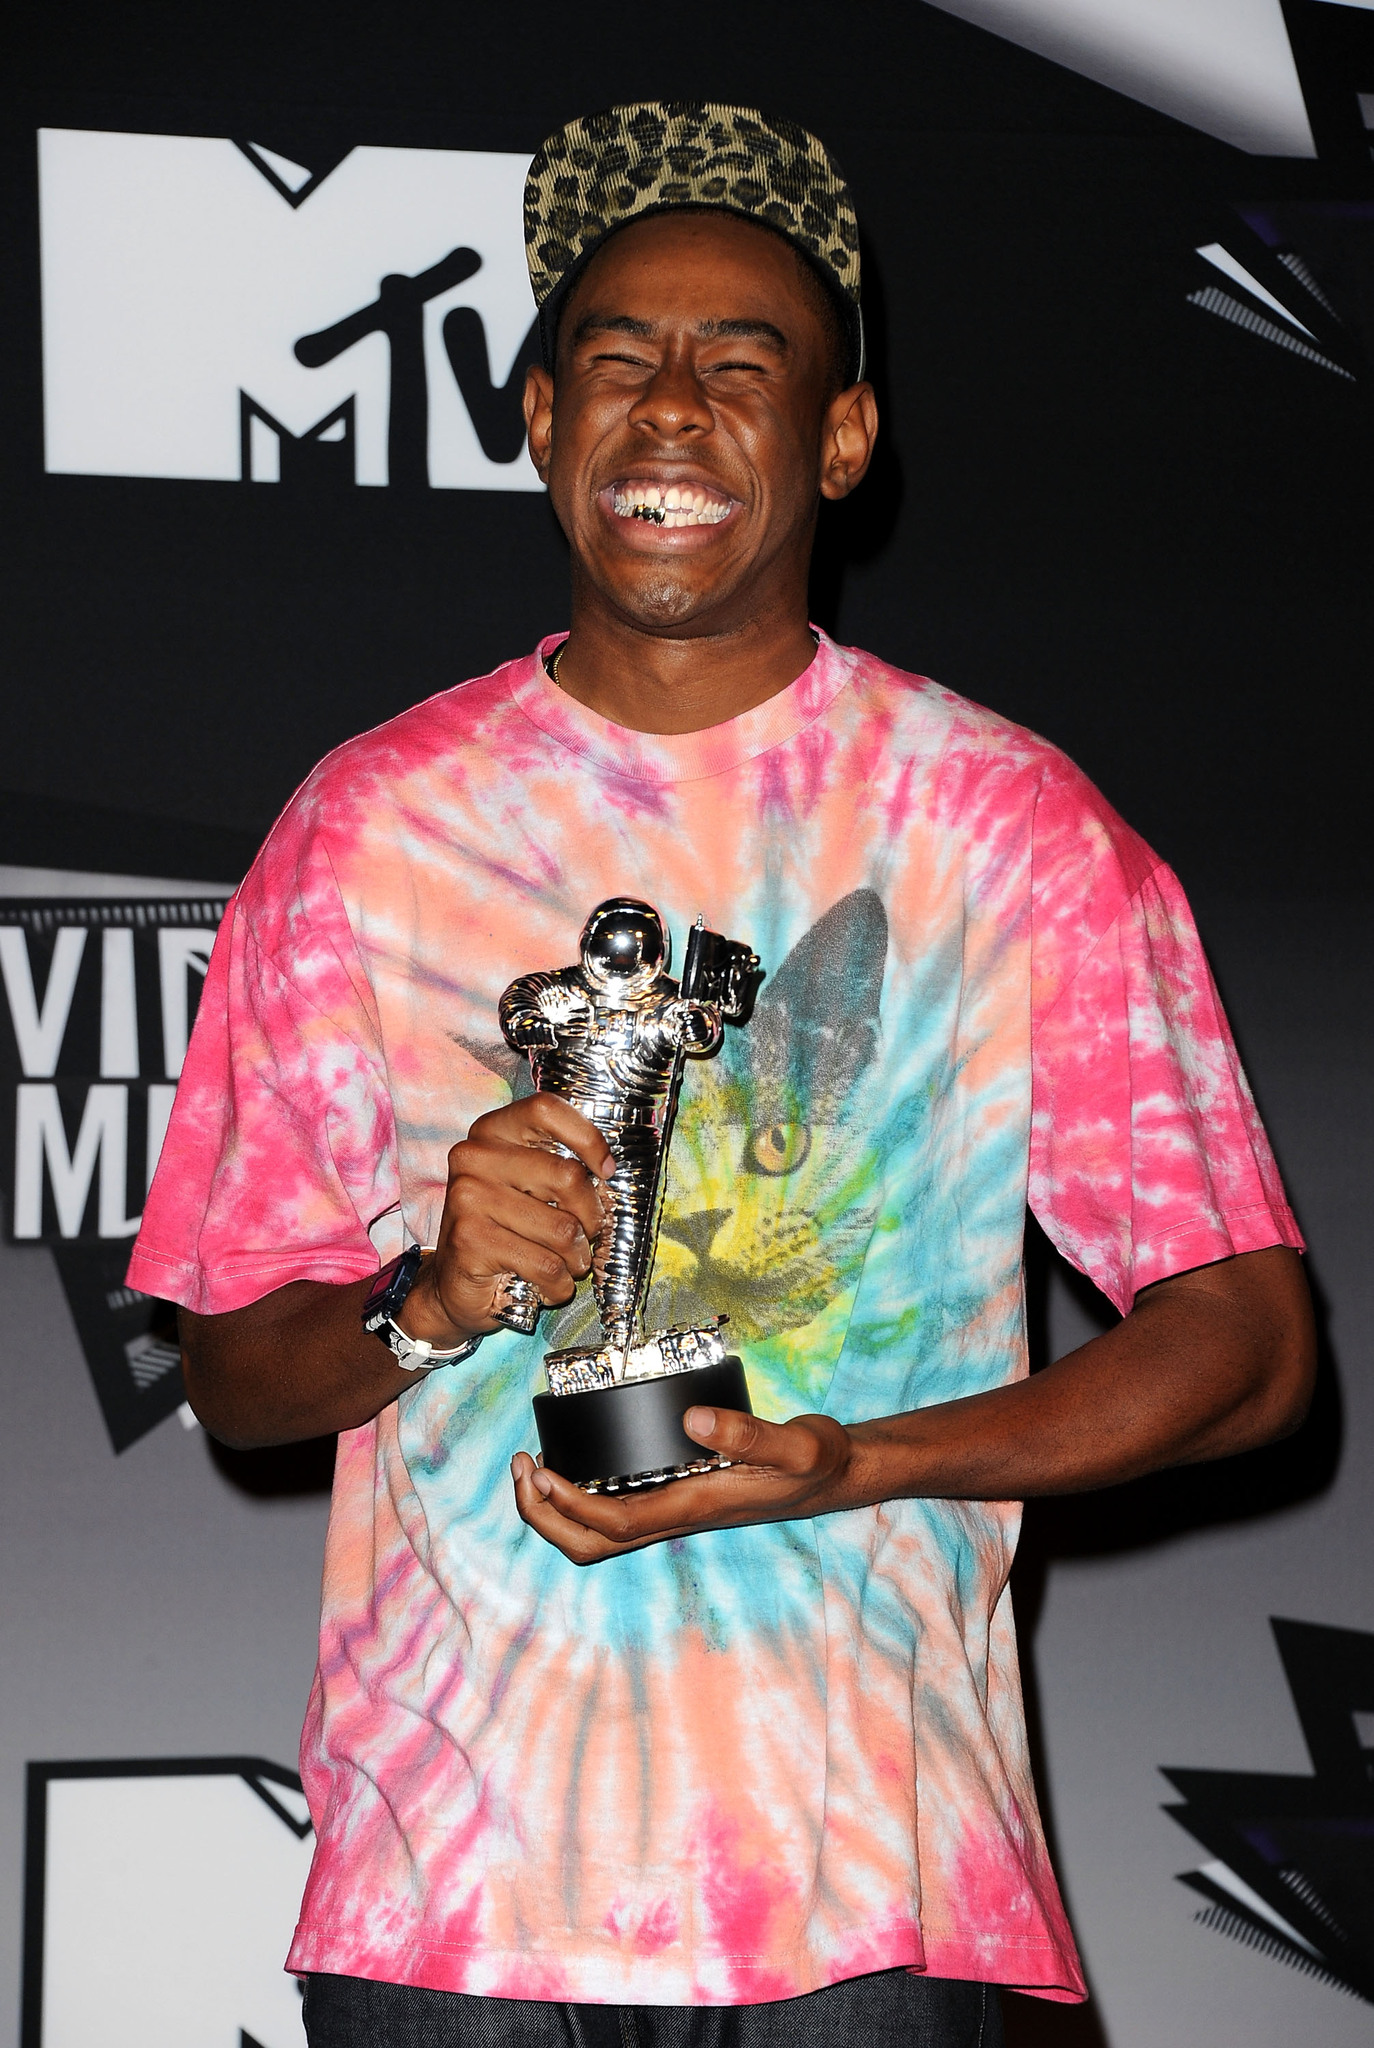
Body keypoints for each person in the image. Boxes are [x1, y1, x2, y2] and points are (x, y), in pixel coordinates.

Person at [129, 101, 1315, 2048]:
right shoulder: (365, 828)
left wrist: (863, 1460)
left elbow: (1249, 1345)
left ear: (843, 440)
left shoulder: (1005, 827)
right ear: (540, 421)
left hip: (867, 1876)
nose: (670, 408)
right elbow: (241, 1375)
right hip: (454, 1890)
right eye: (617, 360)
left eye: (739, 365)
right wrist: (431, 1300)